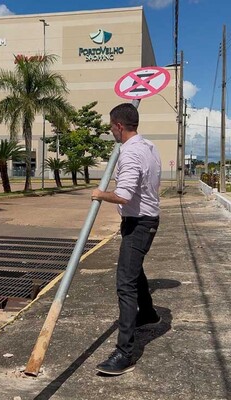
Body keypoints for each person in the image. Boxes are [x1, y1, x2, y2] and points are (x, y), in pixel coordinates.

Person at [92, 103, 161, 376]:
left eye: (111, 127)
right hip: (147, 219)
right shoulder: (149, 146)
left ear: (119, 126)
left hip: (139, 223)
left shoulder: (130, 153)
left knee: (125, 283)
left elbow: (124, 195)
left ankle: (125, 353)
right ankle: (148, 314)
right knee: (135, 270)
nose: (111, 131)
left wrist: (100, 194)